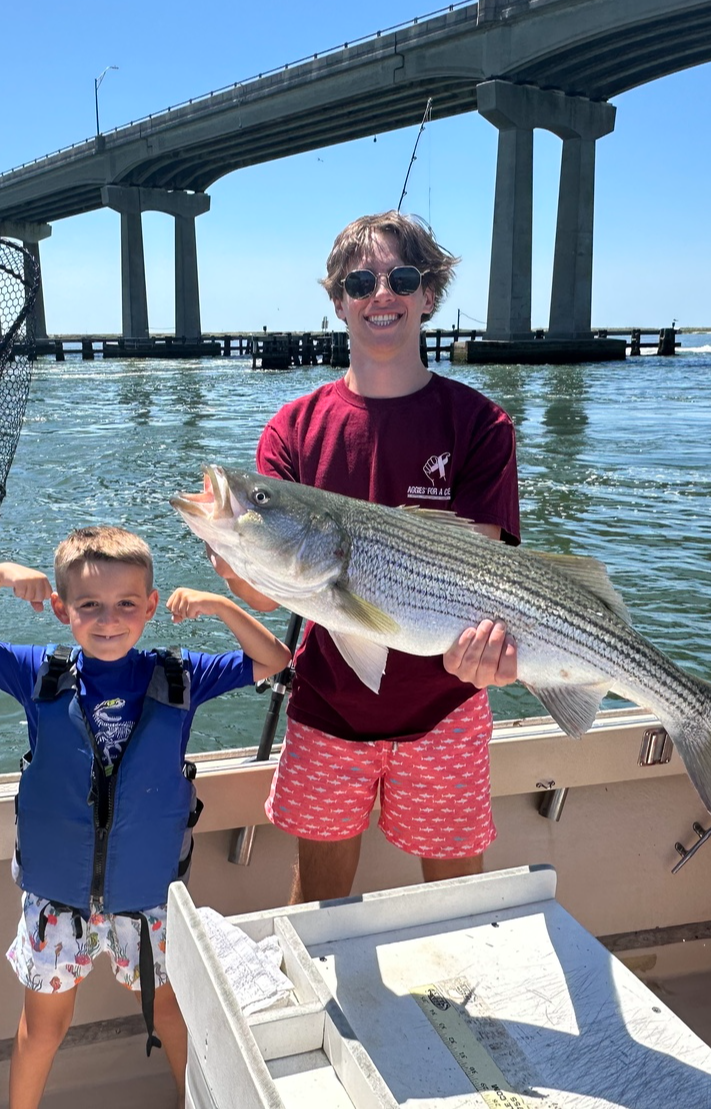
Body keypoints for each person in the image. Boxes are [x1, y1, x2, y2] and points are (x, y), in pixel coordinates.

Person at [0, 526, 291, 1109]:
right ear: (61, 609)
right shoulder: (37, 672)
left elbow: (274, 659)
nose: (108, 620)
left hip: (147, 900)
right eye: (89, 605)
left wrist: (219, 605)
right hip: (56, 900)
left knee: (171, 1015)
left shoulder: (181, 675)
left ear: (151, 606)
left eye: (125, 604)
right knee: (43, 1029)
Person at [213, 211, 521, 905]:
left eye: (401, 279)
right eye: (360, 283)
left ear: (429, 294)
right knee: (316, 913)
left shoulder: (480, 425)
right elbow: (268, 594)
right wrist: (235, 562)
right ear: (337, 302)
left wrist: (495, 653)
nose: (381, 294)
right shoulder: (292, 429)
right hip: (328, 709)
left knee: (455, 913)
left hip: (448, 708)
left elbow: (486, 578)